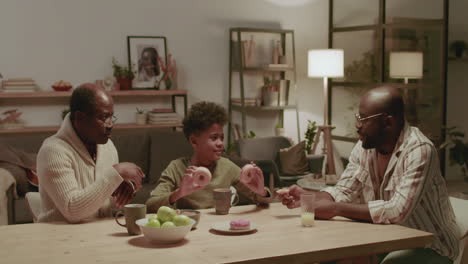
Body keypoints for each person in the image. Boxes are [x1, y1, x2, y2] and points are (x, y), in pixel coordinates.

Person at [278, 86, 460, 263]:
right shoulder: (366, 146)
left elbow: (396, 211)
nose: (357, 125)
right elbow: (344, 190)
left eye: (364, 119)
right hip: (387, 239)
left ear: (387, 122)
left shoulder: (419, 150)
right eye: (358, 117)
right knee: (329, 256)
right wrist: (310, 198)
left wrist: (335, 208)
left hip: (431, 245)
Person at [37, 83, 145, 223]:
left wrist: (122, 191)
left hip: (97, 234)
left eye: (112, 116)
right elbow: (72, 210)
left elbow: (102, 206)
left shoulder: (108, 147)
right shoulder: (53, 151)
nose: (110, 124)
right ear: (80, 118)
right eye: (103, 117)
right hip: (59, 238)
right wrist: (117, 172)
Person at [146, 101, 270, 212]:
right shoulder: (176, 168)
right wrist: (179, 193)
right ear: (194, 141)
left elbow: (264, 201)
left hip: (220, 226)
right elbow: (150, 204)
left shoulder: (227, 166)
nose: (221, 143)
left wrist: (262, 192)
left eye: (222, 137)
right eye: (214, 138)